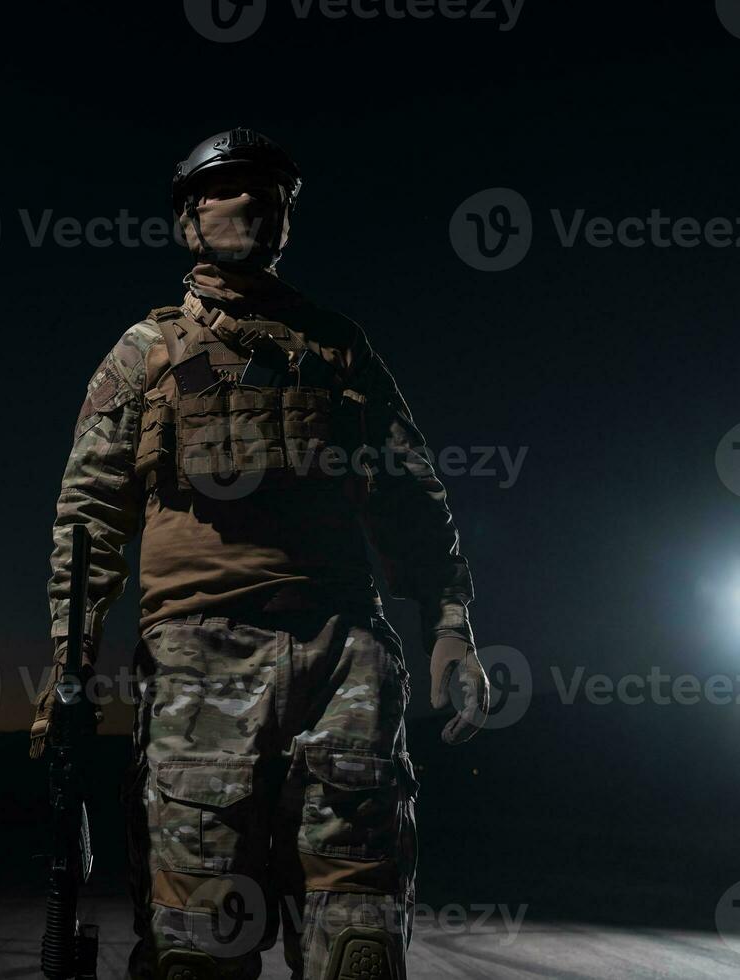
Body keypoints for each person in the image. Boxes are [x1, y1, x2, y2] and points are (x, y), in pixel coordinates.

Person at [31, 128, 491, 980]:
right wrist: (71, 662)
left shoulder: (338, 347)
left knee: (359, 940)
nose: (247, 202)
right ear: (186, 218)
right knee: (198, 940)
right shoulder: (145, 353)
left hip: (342, 657)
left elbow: (411, 493)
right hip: (196, 663)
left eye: (267, 190)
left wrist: (452, 624)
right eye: (224, 188)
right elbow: (89, 512)